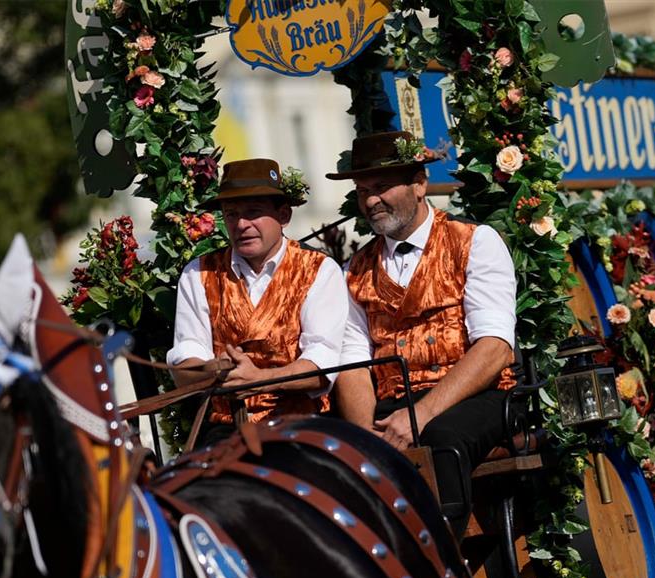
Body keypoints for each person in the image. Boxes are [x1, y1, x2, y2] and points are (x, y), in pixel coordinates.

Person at [327, 131, 517, 535]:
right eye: (363, 191)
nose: (371, 200)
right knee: (338, 453)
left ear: (419, 184)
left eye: (381, 187)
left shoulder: (475, 242)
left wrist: (421, 414)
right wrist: (366, 438)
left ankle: (442, 564)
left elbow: (495, 348)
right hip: (394, 403)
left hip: (477, 396)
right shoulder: (353, 271)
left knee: (441, 439)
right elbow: (353, 364)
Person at [167, 158, 348, 441]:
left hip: (302, 425)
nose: (241, 224)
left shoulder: (320, 270)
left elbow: (322, 364)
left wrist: (259, 380)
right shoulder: (197, 273)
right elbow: (186, 355)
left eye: (253, 212)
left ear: (284, 215)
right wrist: (214, 369)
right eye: (231, 214)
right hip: (225, 428)